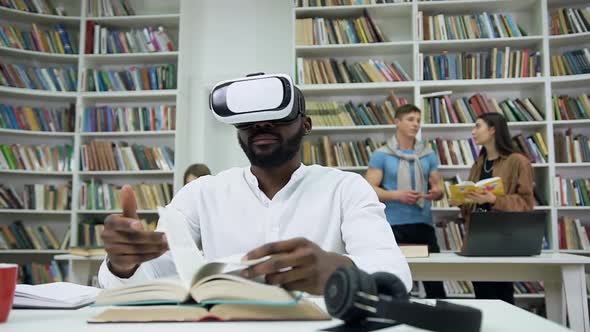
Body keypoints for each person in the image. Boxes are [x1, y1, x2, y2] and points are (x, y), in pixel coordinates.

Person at [98, 74, 412, 295]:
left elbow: (395, 274)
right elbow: (150, 276)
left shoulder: (346, 188)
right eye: (249, 119)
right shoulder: (201, 193)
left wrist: (339, 270)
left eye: (275, 115)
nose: (261, 124)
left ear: (306, 125)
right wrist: (123, 262)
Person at [365, 104, 446, 299]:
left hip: (423, 225)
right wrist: (397, 195)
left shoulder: (428, 154)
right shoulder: (381, 155)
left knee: (435, 283)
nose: (416, 124)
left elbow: (439, 188)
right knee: (396, 282)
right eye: (410, 119)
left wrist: (437, 192)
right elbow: (368, 190)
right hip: (393, 227)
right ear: (397, 122)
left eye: (418, 120)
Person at [457, 112, 535, 304]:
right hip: (476, 238)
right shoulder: (478, 164)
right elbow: (472, 204)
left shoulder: (518, 161)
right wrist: (462, 199)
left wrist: (494, 200)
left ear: (492, 130)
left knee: (502, 297)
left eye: (477, 126)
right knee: (481, 298)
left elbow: (526, 203)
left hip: (504, 239)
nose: (473, 131)